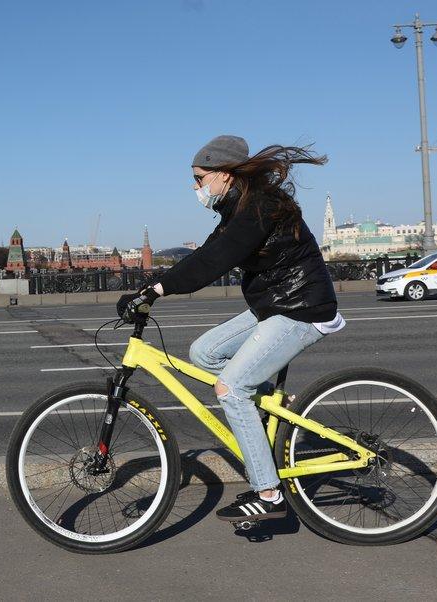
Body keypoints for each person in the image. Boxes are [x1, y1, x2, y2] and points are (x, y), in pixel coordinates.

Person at [117, 135, 346, 523]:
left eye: (199, 177)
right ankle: (260, 410)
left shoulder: (260, 207)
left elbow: (215, 262)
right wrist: (150, 287)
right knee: (203, 353)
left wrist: (156, 290)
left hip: (302, 307)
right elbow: (205, 253)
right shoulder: (237, 207)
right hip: (274, 303)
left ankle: (269, 494)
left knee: (230, 389)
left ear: (224, 174)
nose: (196, 187)